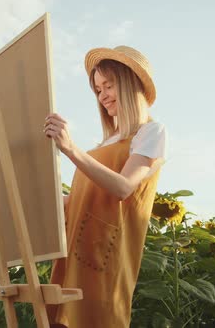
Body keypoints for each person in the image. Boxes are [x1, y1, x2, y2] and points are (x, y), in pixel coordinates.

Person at [43, 45, 167, 327]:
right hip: (76, 254)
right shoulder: (103, 146)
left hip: (106, 259)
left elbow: (124, 187)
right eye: (98, 90)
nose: (103, 96)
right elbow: (77, 202)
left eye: (108, 85)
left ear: (129, 84)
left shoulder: (150, 132)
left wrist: (71, 149)